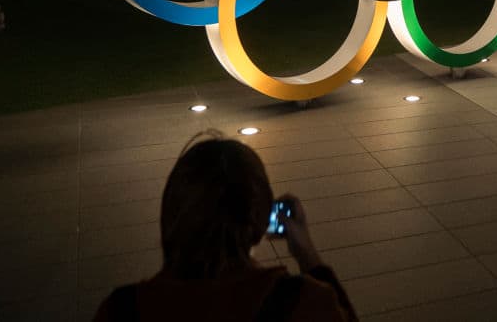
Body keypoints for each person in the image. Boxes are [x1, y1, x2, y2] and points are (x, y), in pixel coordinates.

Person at [94, 132, 357, 322]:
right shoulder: (304, 302)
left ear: (172, 212)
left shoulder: (120, 310)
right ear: (261, 216)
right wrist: (307, 254)